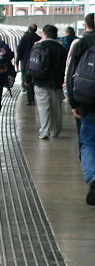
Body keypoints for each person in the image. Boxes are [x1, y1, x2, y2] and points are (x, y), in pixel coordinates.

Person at [65, 13, 95, 204]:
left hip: (88, 101)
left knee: (89, 142)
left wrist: (73, 103)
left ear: (86, 25)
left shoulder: (81, 43)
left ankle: (93, 178)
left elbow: (70, 73)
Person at [30, 24, 67, 139]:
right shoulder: (61, 48)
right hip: (56, 82)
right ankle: (55, 130)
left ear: (44, 33)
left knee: (43, 107)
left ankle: (45, 131)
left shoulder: (38, 46)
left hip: (40, 81)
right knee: (56, 107)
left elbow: (31, 64)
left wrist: (28, 79)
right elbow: (64, 66)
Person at [16, 24, 41, 105]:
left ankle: (30, 99)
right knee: (35, 80)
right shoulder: (38, 38)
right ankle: (35, 97)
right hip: (36, 63)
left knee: (27, 81)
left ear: (29, 29)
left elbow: (19, 49)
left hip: (25, 62)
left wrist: (18, 59)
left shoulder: (24, 38)